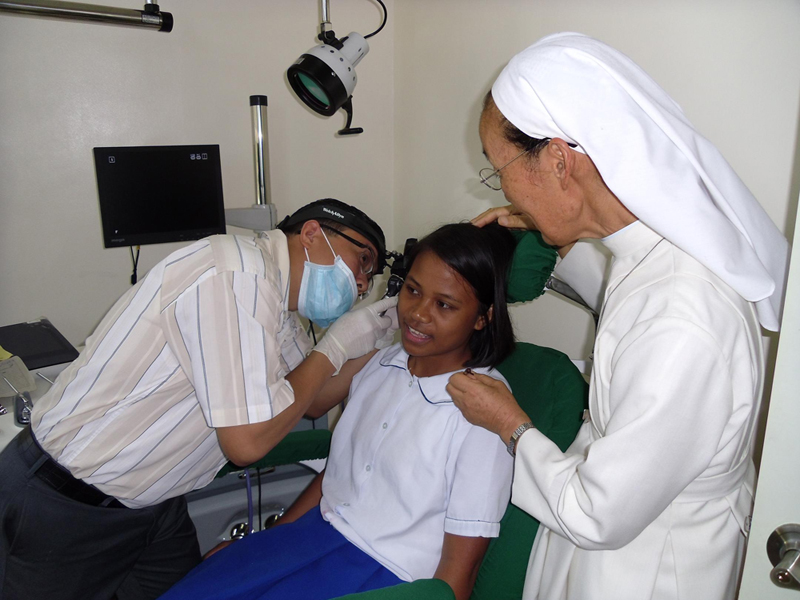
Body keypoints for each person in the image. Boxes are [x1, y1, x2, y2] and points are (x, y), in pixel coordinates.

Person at [446, 33, 790, 600]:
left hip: (652, 568)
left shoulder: (685, 316)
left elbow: (595, 513)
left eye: (498, 169)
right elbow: (628, 307)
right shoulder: (655, 256)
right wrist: (553, 232)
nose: (501, 190)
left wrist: (509, 424)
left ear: (559, 159)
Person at [0, 198, 398, 600]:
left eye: (372, 274)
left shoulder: (276, 305)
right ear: (312, 234)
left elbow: (311, 401)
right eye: (362, 260)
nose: (363, 283)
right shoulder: (237, 274)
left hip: (154, 506)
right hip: (66, 504)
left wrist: (369, 342)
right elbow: (247, 442)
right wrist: (334, 347)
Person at [159, 222, 518, 600]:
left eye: (444, 305)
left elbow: (457, 578)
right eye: (412, 291)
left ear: (483, 317)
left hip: (386, 574)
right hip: (316, 535)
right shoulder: (379, 365)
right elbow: (338, 475)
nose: (417, 314)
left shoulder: (483, 412)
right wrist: (269, 539)